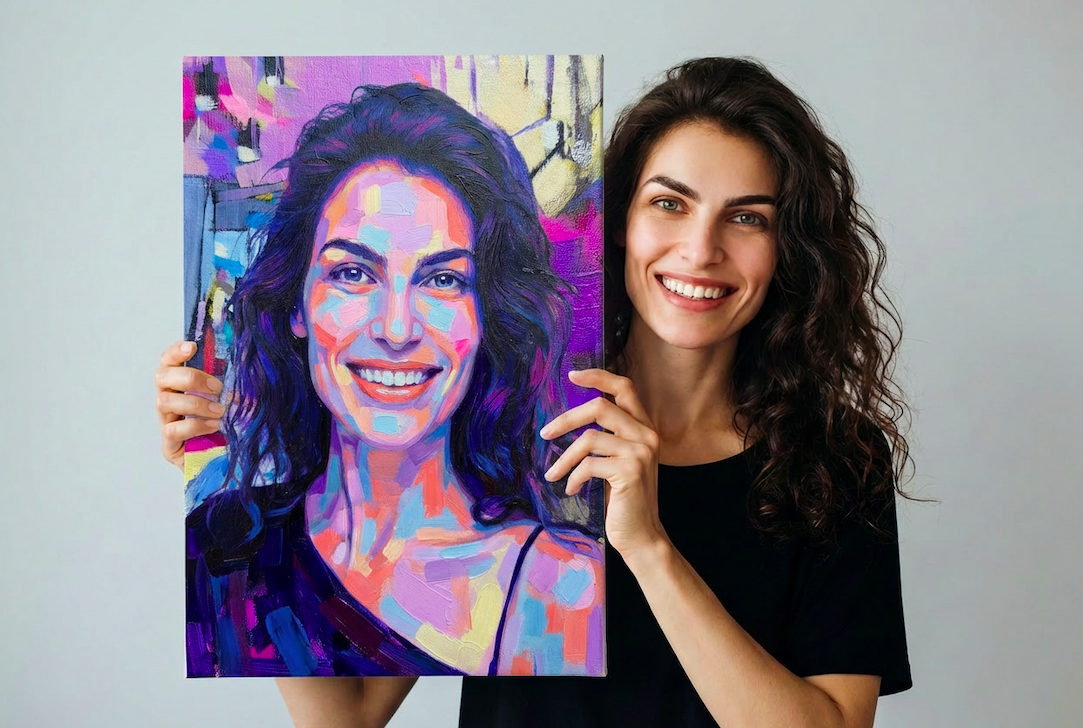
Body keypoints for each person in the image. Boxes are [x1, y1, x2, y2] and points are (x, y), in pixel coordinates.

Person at [158, 56, 912, 727]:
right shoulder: (520, 431)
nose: (699, 249)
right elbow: (349, 718)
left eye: (747, 218)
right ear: (620, 222)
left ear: (790, 248)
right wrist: (231, 465)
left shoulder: (834, 460)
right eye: (669, 203)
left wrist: (647, 548)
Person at [171, 82, 605, 680]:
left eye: (444, 281)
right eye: (353, 272)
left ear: (487, 319)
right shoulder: (211, 552)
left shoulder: (567, 594)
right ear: (297, 303)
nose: (397, 327)